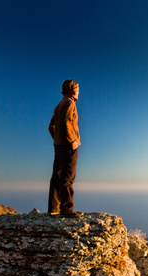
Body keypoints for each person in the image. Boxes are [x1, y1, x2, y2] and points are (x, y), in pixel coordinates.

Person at [47, 79, 83, 217]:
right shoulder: (70, 103)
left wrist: (57, 139)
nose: (79, 92)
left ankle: (53, 208)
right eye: (78, 89)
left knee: (57, 175)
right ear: (72, 89)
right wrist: (72, 140)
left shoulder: (59, 105)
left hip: (58, 145)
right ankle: (67, 209)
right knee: (68, 176)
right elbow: (66, 122)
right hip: (68, 146)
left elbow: (51, 126)